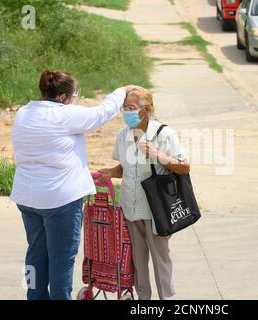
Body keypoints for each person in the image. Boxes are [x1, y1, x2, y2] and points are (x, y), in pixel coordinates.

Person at [10, 69, 139, 300]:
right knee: (61, 259)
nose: (74, 99)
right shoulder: (64, 115)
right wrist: (121, 91)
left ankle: (34, 296)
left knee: (35, 255)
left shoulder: (23, 113)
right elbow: (101, 114)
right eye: (74, 95)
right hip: (59, 199)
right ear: (62, 97)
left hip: (27, 197)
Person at [99, 88, 190, 300]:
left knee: (161, 260)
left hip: (155, 209)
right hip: (130, 207)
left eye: (131, 108)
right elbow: (123, 168)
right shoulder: (123, 135)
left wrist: (157, 154)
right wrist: (110, 173)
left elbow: (184, 166)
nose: (126, 113)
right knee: (137, 261)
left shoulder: (164, 134)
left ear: (145, 109)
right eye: (124, 108)